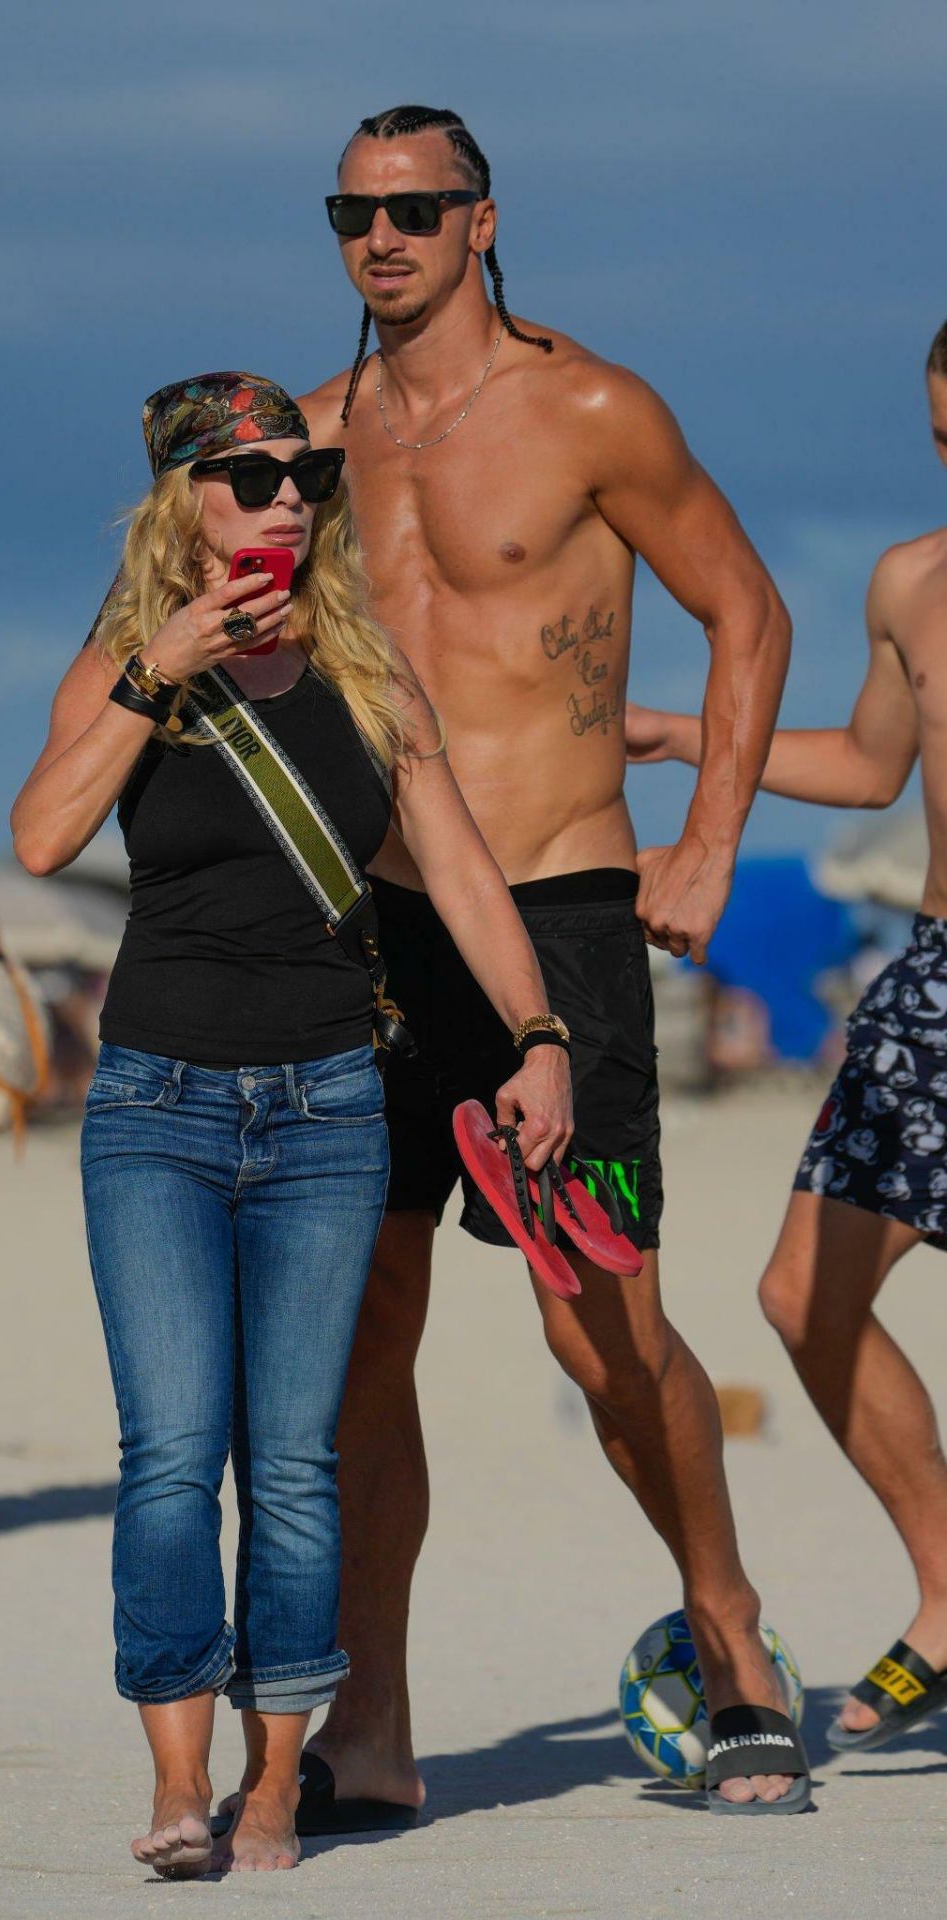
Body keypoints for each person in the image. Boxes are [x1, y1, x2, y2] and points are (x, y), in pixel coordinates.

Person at [292, 103, 806, 1817]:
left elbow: (749, 608)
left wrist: (714, 839)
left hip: (565, 908)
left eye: (419, 212)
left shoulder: (591, 408)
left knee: (600, 1327)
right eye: (357, 214)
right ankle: (372, 1722)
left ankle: (727, 1635)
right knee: (366, 1329)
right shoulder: (307, 442)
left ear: (483, 222)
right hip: (380, 924)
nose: (385, 241)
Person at [11, 371, 574, 1874]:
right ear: (181, 497)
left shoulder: (366, 667)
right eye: (250, 478)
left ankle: (276, 1785)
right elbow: (41, 832)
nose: (282, 503)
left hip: (330, 1104)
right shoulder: (128, 656)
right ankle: (176, 1783)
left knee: (298, 1460)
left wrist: (540, 1035)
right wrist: (156, 672)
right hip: (156, 1104)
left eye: (301, 481)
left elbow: (458, 871)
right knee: (170, 1452)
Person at [629, 317, 947, 1756]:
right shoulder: (913, 582)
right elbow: (876, 762)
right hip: (933, 982)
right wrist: (700, 736)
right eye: (943, 430)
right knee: (800, 1294)